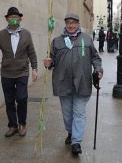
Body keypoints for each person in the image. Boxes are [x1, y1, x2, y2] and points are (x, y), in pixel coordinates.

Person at [44, 13, 103, 154]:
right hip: (63, 81)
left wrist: (99, 69)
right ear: (65, 24)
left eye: (74, 22)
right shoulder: (57, 41)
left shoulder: (87, 39)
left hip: (83, 82)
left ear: (78, 24)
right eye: (68, 22)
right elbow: (51, 60)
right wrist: (48, 63)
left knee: (79, 112)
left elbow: (96, 58)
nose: (71, 25)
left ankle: (76, 142)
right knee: (67, 113)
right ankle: (70, 132)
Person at [0, 7, 38, 137]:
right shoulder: (1, 34)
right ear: (6, 19)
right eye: (11, 17)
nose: (14, 19)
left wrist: (34, 69)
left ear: (20, 19)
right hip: (6, 72)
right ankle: (12, 126)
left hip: (22, 71)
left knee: (21, 98)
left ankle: (22, 124)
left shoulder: (26, 34)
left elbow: (31, 52)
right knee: (9, 100)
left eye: (16, 17)